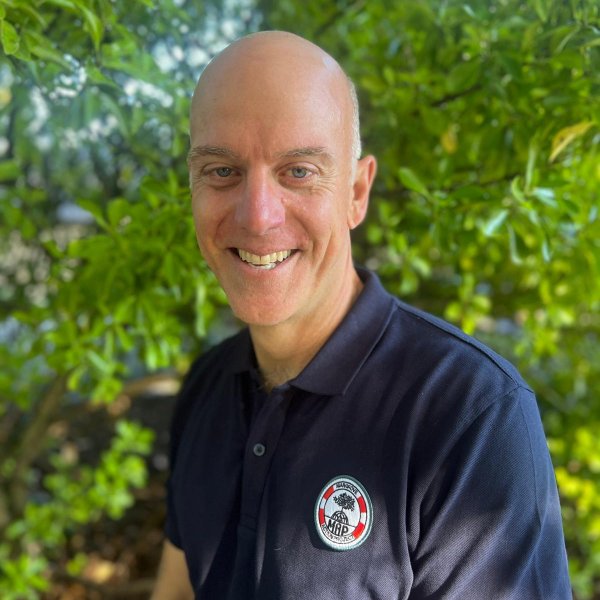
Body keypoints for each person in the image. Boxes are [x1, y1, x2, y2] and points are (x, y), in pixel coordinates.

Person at [151, 31, 571, 600]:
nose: (257, 216)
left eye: (299, 171)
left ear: (356, 191)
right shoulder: (206, 384)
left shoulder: (471, 418)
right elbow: (178, 590)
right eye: (222, 171)